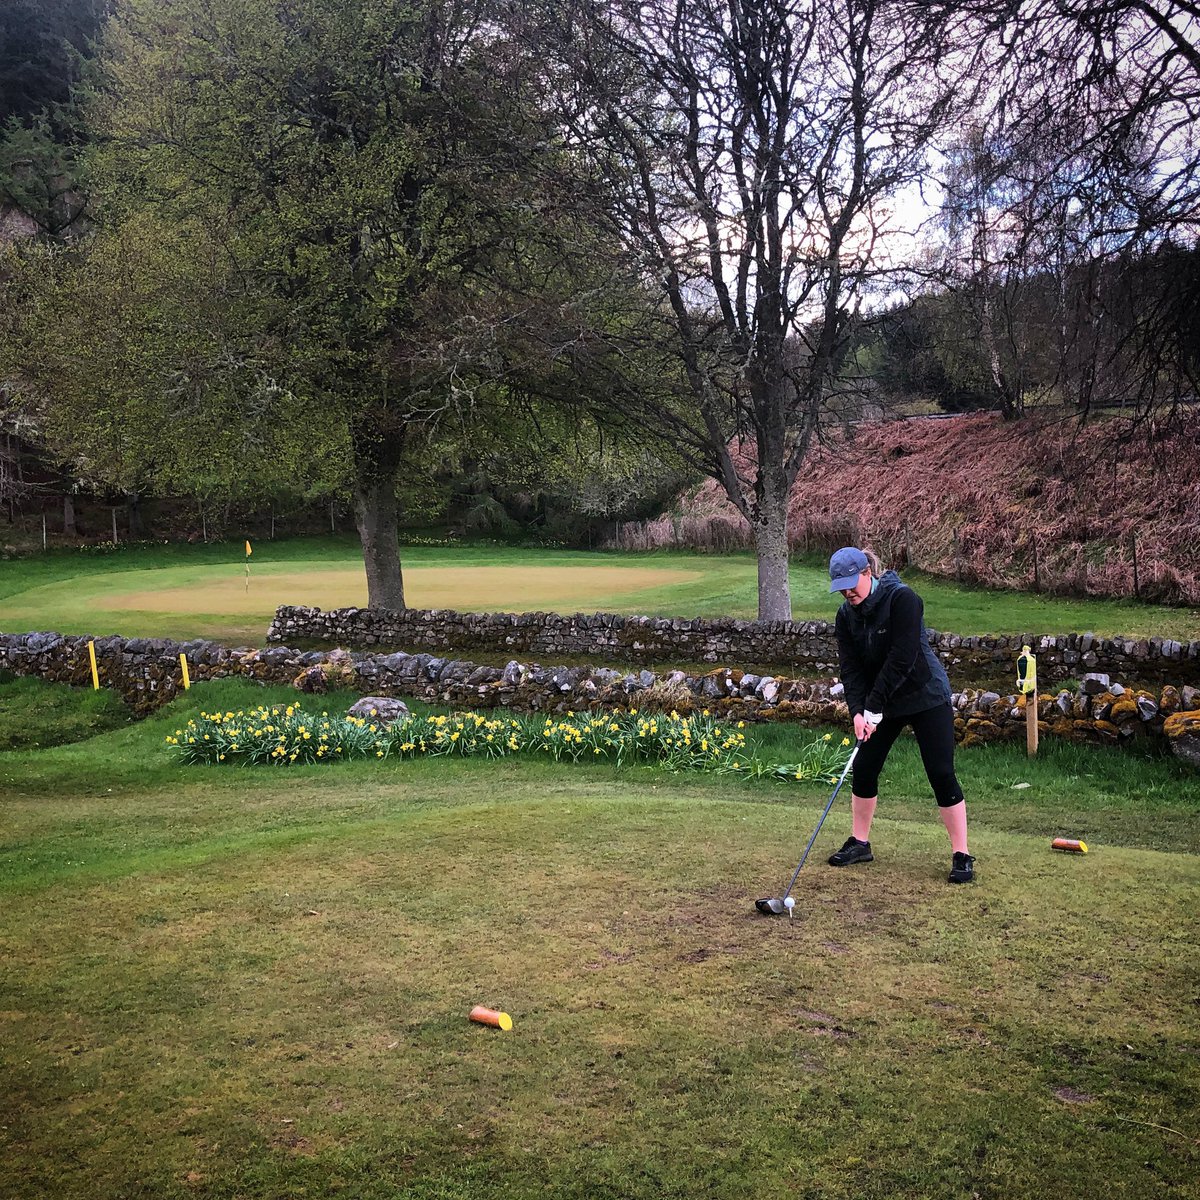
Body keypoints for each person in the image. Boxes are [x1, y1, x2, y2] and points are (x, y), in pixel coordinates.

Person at [825, 546, 975, 884]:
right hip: (882, 701)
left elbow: (903, 657)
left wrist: (873, 706)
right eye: (841, 588)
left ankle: (962, 854)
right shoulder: (846, 616)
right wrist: (858, 712)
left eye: (852, 585)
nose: (848, 594)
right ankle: (860, 843)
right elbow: (851, 669)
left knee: (940, 771)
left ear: (867, 573)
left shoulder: (903, 599)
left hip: (925, 694)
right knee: (865, 766)